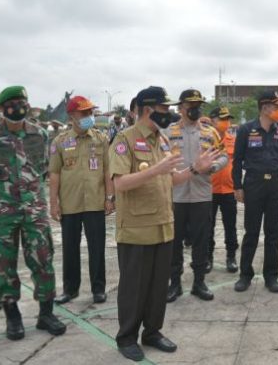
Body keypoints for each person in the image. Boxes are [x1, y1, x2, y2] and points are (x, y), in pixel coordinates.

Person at [109, 85, 219, 361]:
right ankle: (126, 337)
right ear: (148, 110)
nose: (169, 113)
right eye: (164, 109)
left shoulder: (162, 140)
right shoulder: (125, 140)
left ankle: (152, 332)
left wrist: (195, 169)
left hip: (163, 224)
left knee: (158, 286)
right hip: (136, 228)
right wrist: (156, 170)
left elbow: (169, 180)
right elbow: (119, 183)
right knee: (134, 287)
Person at [0, 86, 66, 340]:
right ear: (1, 109)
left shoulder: (40, 135)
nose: (17, 107)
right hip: (1, 215)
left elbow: (43, 170)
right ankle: (12, 317)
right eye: (11, 104)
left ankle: (46, 313)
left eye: (21, 102)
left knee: (43, 261)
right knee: (3, 265)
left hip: (34, 212)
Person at [49, 96, 114, 305]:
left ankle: (98, 289)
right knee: (70, 248)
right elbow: (55, 174)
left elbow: (107, 171)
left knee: (97, 248)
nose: (89, 117)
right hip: (70, 203)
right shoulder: (59, 142)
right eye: (84, 113)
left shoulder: (101, 139)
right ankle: (70, 289)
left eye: (90, 113)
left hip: (95, 202)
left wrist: (110, 198)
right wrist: (53, 203)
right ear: (72, 116)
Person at [166, 89, 228, 303]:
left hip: (202, 195)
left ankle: (199, 282)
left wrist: (212, 167)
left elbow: (223, 156)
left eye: (198, 105)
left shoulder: (210, 133)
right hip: (176, 196)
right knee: (173, 243)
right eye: (191, 106)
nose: (196, 109)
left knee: (201, 241)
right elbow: (160, 159)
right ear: (181, 108)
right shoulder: (168, 132)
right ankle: (174, 283)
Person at [232, 90, 278, 293]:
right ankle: (245, 275)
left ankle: (271, 276)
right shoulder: (246, 130)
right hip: (253, 184)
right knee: (251, 232)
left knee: (273, 233)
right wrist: (237, 186)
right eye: (277, 107)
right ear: (265, 107)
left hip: (276, 184)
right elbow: (237, 160)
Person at [209, 106, 239, 274]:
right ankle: (208, 257)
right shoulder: (205, 139)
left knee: (230, 226)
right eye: (222, 119)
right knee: (208, 227)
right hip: (209, 190)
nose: (226, 122)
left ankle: (231, 257)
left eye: (228, 119)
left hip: (229, 191)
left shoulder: (233, 140)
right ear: (212, 120)